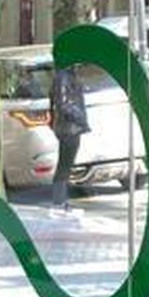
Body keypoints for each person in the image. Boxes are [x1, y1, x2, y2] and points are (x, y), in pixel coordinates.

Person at [49, 63, 88, 208]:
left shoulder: (67, 75)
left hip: (71, 127)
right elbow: (62, 104)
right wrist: (80, 118)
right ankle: (59, 200)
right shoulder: (63, 76)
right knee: (64, 165)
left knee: (66, 165)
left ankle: (61, 198)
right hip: (68, 127)